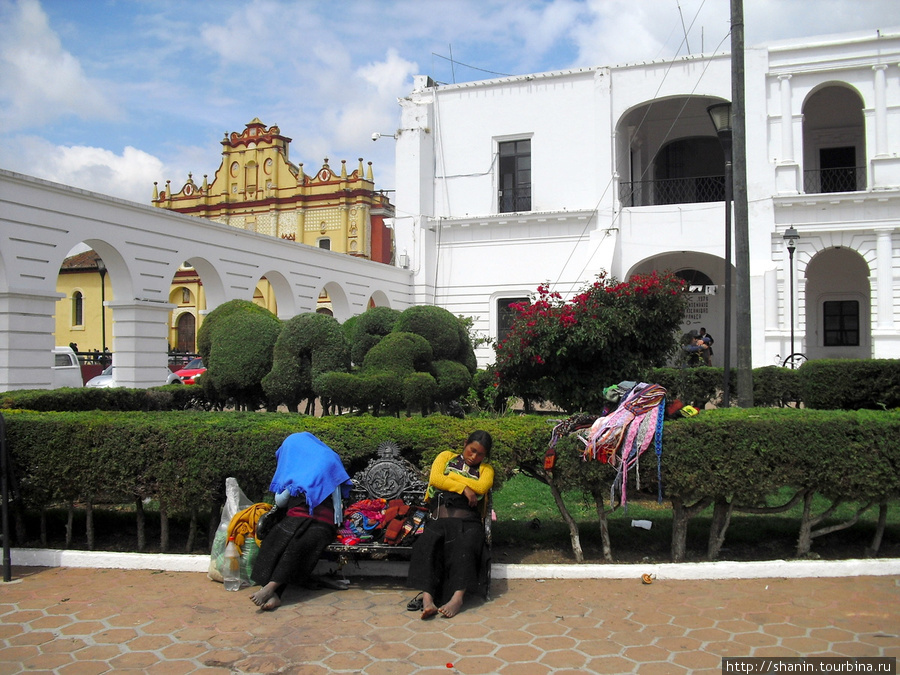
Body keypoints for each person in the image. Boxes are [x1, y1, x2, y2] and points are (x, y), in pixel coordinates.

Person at [249, 432, 352, 611]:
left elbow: (281, 502)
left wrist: (290, 485)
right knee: (278, 540)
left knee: (299, 545)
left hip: (321, 522)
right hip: (303, 519)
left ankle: (270, 588)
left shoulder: (304, 466)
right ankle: (274, 594)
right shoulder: (328, 459)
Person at [408, 430, 494, 619]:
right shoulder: (445, 456)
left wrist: (451, 478)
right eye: (471, 450)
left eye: (480, 454)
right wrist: (464, 487)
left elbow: (480, 487)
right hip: (439, 518)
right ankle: (428, 600)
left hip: (468, 521)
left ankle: (457, 598)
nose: (474, 457)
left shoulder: (486, 470)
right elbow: (435, 478)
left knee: (467, 543)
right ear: (465, 443)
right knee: (428, 541)